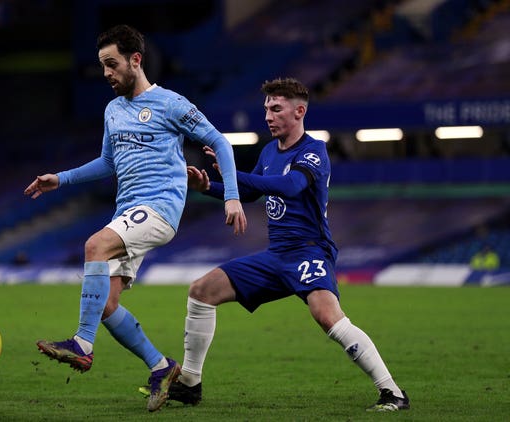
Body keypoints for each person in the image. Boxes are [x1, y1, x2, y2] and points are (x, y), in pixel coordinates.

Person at [23, 24, 246, 412]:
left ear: (136, 60)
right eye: (102, 66)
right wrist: (61, 179)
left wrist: (231, 196)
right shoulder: (113, 110)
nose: (106, 73)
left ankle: (82, 344)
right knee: (106, 305)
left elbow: (219, 141)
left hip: (160, 206)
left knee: (94, 244)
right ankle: (161, 367)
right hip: (128, 211)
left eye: (112, 64)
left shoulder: (171, 103)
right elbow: (108, 162)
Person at [158, 78, 409, 412]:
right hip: (277, 255)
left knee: (326, 315)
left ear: (299, 111)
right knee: (202, 290)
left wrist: (235, 175)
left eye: (276, 108)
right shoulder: (268, 152)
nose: (268, 116)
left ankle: (392, 392)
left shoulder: (314, 150)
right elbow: (248, 193)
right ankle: (190, 383)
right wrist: (209, 187)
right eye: (266, 109)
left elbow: (290, 186)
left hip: (309, 250)